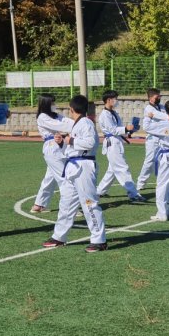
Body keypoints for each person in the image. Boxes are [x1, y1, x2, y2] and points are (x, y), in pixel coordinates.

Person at [42, 95, 107, 253]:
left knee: (89, 203)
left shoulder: (86, 123)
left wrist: (70, 141)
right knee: (66, 202)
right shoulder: (77, 124)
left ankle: (99, 240)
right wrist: (62, 143)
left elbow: (91, 143)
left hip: (83, 166)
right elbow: (72, 149)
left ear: (72, 109)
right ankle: (59, 236)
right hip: (73, 166)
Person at [96, 90, 146, 202]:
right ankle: (133, 194)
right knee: (122, 168)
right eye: (115, 99)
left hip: (117, 141)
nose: (116, 101)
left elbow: (118, 128)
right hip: (112, 143)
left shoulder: (113, 113)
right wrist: (125, 128)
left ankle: (99, 191)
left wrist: (129, 131)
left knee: (113, 170)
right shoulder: (104, 115)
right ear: (109, 100)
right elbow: (113, 130)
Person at [31, 94, 73, 214]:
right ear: (46, 104)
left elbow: (66, 121)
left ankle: (39, 205)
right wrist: (77, 126)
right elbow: (59, 125)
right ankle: (69, 208)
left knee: (50, 178)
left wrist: (79, 122)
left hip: (60, 146)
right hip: (52, 147)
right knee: (64, 178)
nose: (54, 105)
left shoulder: (55, 115)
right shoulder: (42, 117)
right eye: (52, 103)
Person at [136, 88, 169, 190]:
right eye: (157, 97)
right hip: (152, 139)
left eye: (159, 96)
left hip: (163, 138)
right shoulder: (148, 108)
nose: (159, 98)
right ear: (150, 98)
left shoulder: (161, 107)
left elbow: (167, 113)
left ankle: (162, 183)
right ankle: (141, 183)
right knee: (149, 161)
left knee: (163, 161)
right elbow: (162, 116)